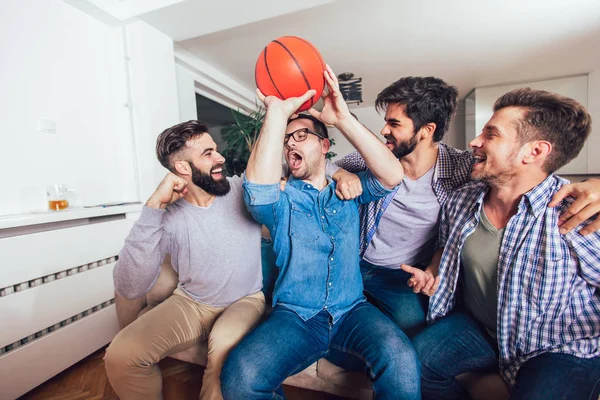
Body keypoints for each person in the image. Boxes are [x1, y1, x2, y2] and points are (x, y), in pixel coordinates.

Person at [329, 76, 600, 338]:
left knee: (412, 332)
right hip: (357, 263)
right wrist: (340, 174)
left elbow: (521, 173)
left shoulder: (464, 169)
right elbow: (323, 168)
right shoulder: (371, 160)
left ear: (427, 130)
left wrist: (594, 185)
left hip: (404, 274)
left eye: (394, 123)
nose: (384, 131)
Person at [221, 66, 421, 399]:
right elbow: (257, 192)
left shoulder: (349, 190)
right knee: (241, 376)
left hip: (353, 312)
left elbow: (391, 174)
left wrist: (342, 118)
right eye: (286, 141)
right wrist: (277, 112)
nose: (290, 145)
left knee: (400, 358)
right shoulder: (281, 199)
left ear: (324, 145)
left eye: (300, 136)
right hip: (295, 317)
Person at [412, 88, 600, 400]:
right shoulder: (461, 201)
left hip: (558, 347)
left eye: (491, 134)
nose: (474, 142)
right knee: (413, 364)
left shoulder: (577, 213)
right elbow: (446, 246)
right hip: (482, 330)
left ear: (534, 152)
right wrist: (434, 269)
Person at [104, 120, 265, 400]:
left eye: (215, 150)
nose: (221, 158)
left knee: (219, 371)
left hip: (246, 300)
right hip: (192, 302)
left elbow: (288, 171)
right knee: (121, 356)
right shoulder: (166, 216)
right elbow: (130, 287)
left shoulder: (244, 190)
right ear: (182, 168)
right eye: (208, 153)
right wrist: (153, 206)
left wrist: (337, 175)